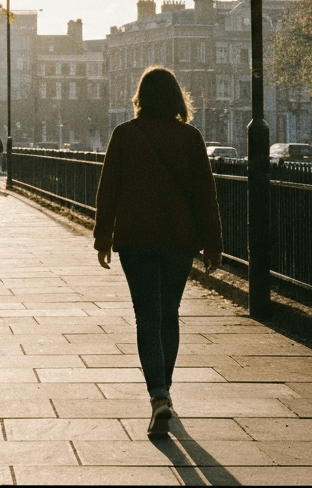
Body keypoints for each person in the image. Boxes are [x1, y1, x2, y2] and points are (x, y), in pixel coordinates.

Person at [93, 66, 222, 437]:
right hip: (179, 240)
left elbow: (108, 190)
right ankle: (164, 391)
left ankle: (158, 395)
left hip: (136, 240)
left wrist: (103, 238)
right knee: (169, 315)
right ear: (177, 98)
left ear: (141, 98)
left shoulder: (125, 135)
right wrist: (214, 244)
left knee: (146, 316)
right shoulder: (190, 138)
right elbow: (205, 196)